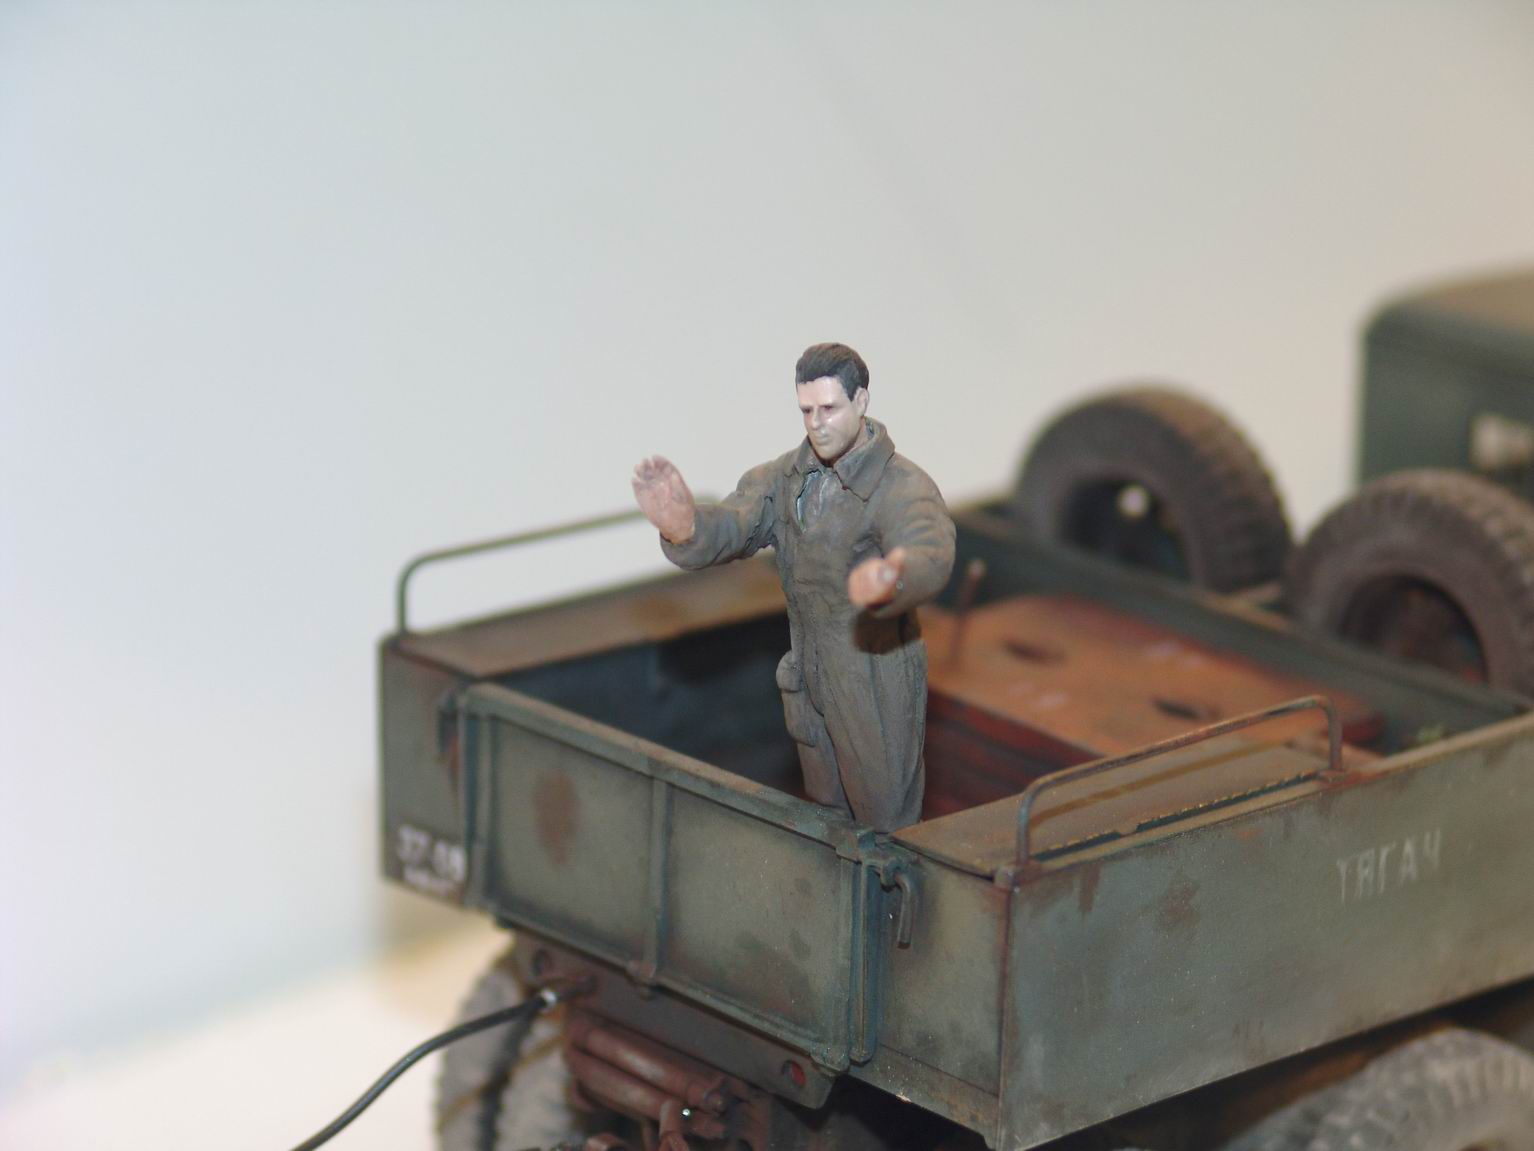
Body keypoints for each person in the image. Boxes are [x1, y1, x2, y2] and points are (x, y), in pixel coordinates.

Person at [631, 343, 955, 832]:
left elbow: (929, 543)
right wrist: (686, 527)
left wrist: (894, 575)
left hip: (874, 677)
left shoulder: (899, 485)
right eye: (807, 410)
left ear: (861, 401)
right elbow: (737, 523)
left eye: (829, 408)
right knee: (824, 812)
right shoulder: (783, 479)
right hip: (809, 670)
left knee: (886, 822)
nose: (817, 423)